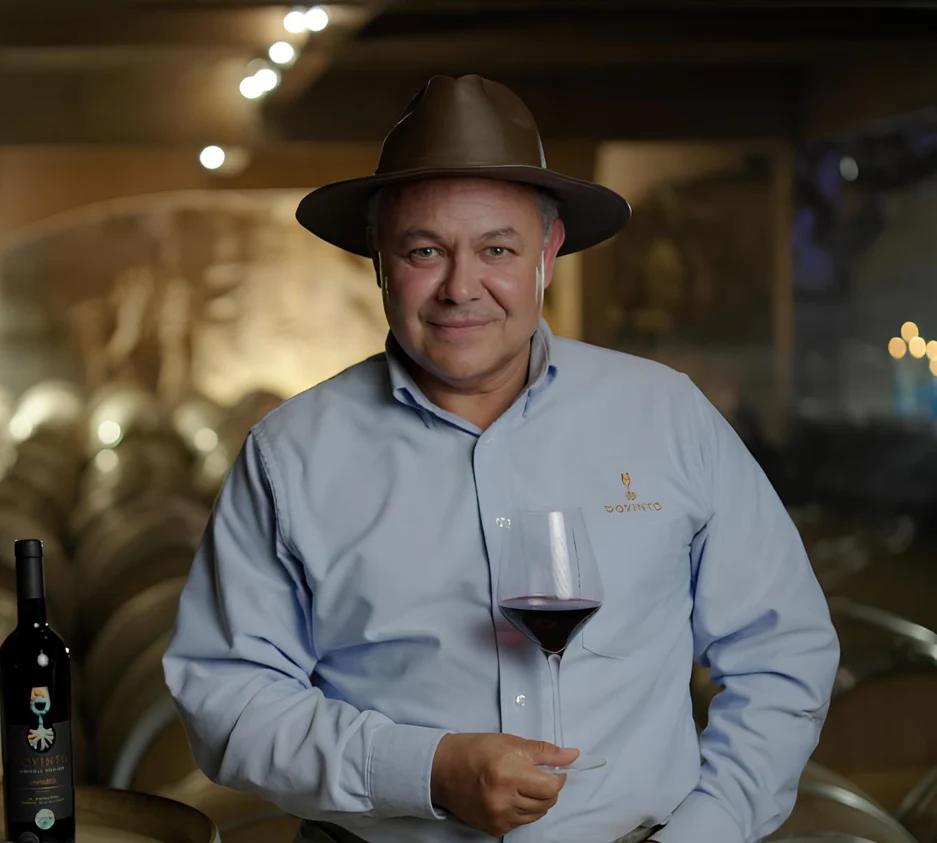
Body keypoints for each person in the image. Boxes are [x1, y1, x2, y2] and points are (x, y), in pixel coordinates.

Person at [163, 74, 839, 843]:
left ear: (546, 254)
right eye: (424, 250)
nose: (461, 287)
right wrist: (425, 769)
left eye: (496, 249)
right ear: (379, 260)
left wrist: (708, 829)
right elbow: (227, 699)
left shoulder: (665, 415)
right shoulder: (289, 454)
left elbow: (782, 649)